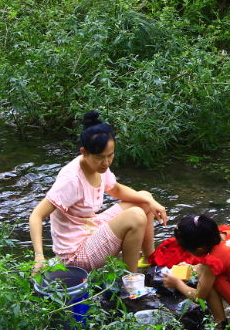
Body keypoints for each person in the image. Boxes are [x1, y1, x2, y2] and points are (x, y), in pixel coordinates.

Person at [28, 111, 167, 273]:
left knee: (144, 199)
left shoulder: (99, 167)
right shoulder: (71, 180)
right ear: (84, 152)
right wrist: (39, 257)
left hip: (91, 229)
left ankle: (150, 260)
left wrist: (150, 202)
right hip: (76, 255)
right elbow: (36, 216)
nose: (106, 162)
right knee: (136, 215)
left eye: (110, 155)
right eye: (100, 157)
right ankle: (130, 279)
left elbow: (115, 189)